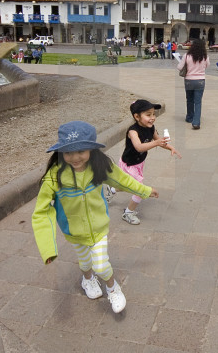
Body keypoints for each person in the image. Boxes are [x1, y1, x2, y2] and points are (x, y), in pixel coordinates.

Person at [32, 121, 157, 313]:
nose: (74, 158)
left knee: (101, 264)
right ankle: (87, 280)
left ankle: (113, 288)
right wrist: (47, 248)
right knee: (84, 262)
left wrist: (146, 190)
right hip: (74, 232)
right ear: (60, 152)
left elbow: (122, 180)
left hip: (98, 228)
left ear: (91, 149)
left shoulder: (99, 166)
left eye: (81, 151)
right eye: (68, 152)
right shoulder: (54, 177)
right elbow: (41, 212)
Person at [117, 99, 181, 225]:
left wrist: (170, 148)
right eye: (148, 114)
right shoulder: (133, 131)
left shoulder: (151, 128)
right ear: (137, 116)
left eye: (153, 114)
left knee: (126, 184)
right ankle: (128, 213)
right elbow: (139, 147)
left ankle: (112, 189)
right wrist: (156, 143)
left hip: (139, 163)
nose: (152, 118)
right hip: (129, 164)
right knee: (140, 189)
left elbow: (159, 141)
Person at [180, 38, 209, 129]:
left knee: (189, 100)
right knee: (198, 102)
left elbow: (179, 67)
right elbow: (207, 66)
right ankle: (196, 122)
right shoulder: (205, 56)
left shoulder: (187, 55)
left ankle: (189, 117)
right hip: (200, 80)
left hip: (189, 80)